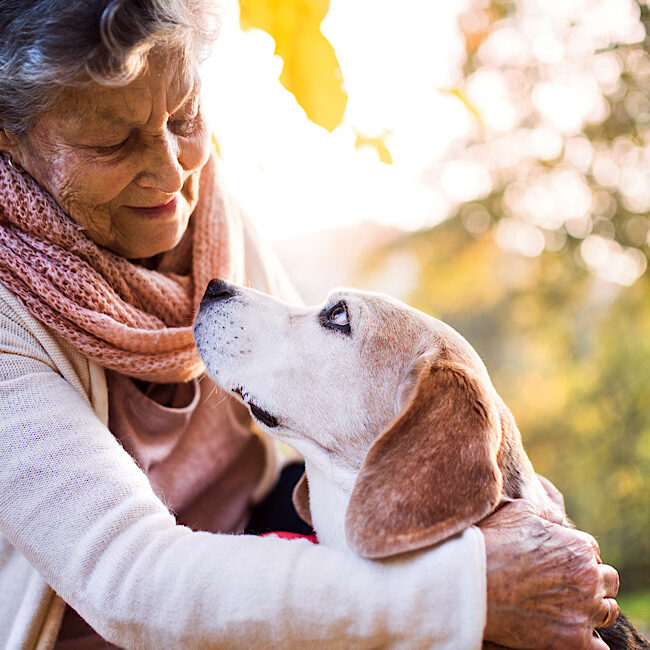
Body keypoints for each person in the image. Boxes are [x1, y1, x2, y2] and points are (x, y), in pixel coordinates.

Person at [0, 1, 619, 648]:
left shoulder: (207, 205)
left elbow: (335, 403)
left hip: (274, 526)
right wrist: (470, 589)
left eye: (184, 116)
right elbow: (133, 584)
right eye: (111, 142)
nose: (172, 170)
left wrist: (527, 523)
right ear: (7, 133)